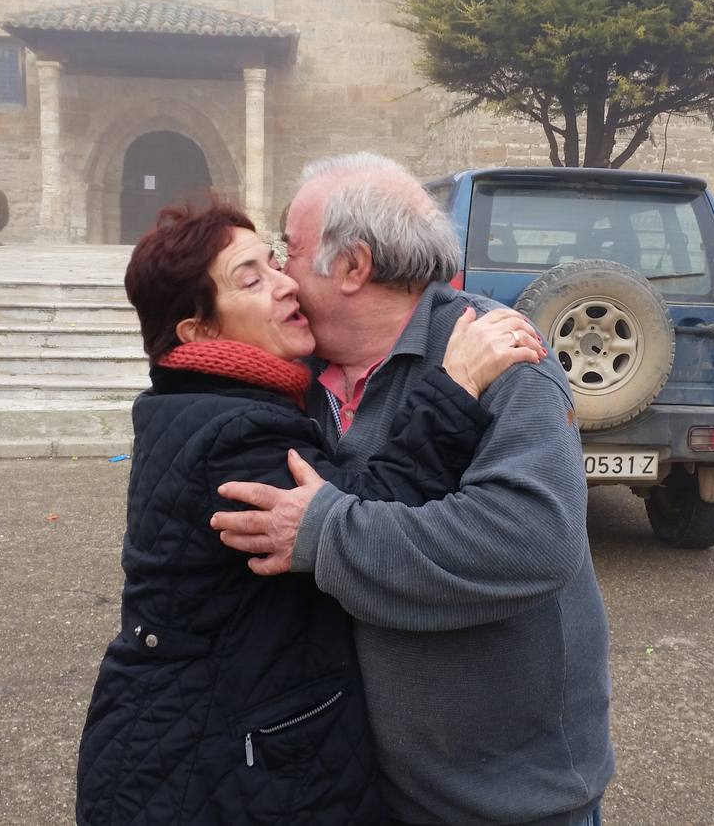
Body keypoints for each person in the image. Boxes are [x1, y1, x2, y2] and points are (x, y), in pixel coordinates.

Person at [74, 199, 544, 825]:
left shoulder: (212, 401)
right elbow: (363, 510)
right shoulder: (233, 432)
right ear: (200, 331)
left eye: (275, 262)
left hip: (208, 738)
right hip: (202, 764)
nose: (286, 283)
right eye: (251, 279)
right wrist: (455, 385)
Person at [211, 153, 615, 826]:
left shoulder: (504, 356)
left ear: (352, 266)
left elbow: (533, 540)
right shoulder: (295, 371)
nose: (279, 270)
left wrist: (324, 533)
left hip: (509, 800)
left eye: (290, 249)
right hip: (363, 783)